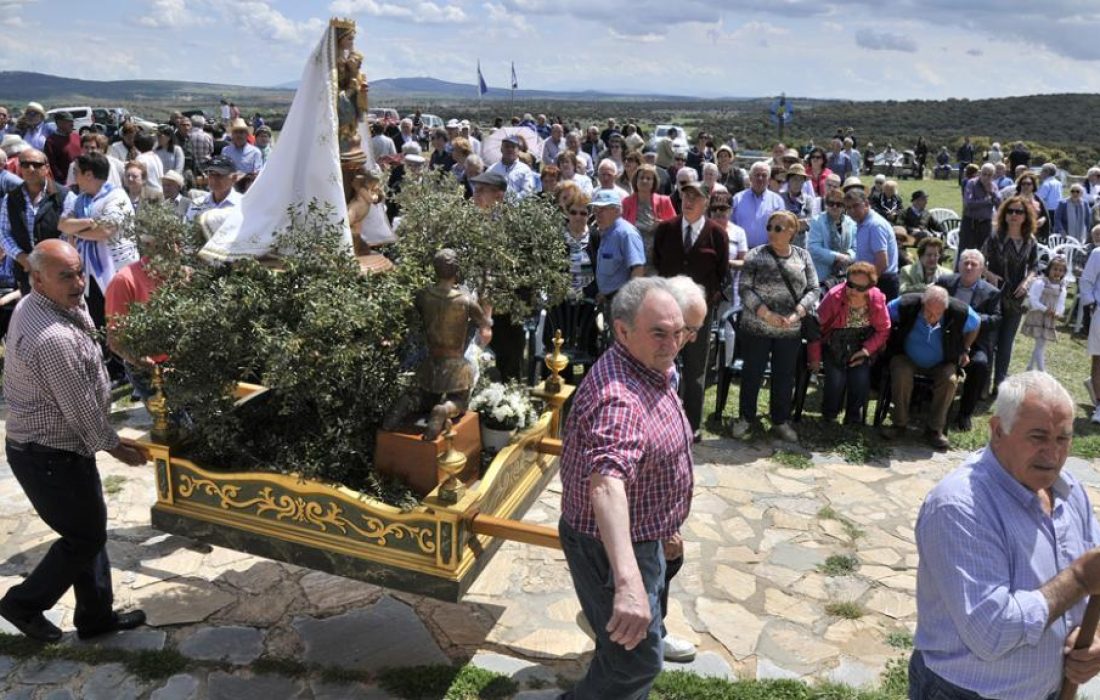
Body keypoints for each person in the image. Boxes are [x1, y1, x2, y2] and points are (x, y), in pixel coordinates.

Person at [909, 372, 1100, 700]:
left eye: (1063, 439)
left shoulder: (1068, 490)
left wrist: (1093, 637)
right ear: (998, 431)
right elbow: (990, 632)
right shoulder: (960, 505)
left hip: (1049, 690)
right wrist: (1078, 580)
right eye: (1038, 437)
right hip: (965, 693)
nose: (1052, 454)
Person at [0, 239, 148, 644]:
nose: (79, 282)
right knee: (84, 537)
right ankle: (23, 604)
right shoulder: (51, 337)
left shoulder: (51, 301)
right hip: (47, 454)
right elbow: (81, 408)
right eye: (66, 275)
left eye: (80, 271)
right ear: (37, 278)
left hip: (60, 450)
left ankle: (95, 617)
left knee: (90, 529)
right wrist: (117, 446)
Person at [558, 276, 693, 699]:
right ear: (621, 330)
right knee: (636, 663)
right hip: (611, 545)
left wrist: (665, 520)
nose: (671, 344)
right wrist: (629, 582)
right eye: (659, 333)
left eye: (679, 332)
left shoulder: (651, 367)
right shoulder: (619, 397)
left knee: (622, 652)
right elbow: (607, 486)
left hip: (644, 535)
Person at [731, 210, 818, 443]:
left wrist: (798, 313)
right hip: (757, 328)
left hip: (789, 329)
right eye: (769, 227)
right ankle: (746, 418)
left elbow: (814, 289)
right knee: (752, 374)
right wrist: (765, 314)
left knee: (784, 376)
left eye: (778, 228)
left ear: (792, 231)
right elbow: (745, 289)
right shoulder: (755, 255)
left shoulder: (803, 256)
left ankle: (780, 420)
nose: (771, 232)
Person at [652, 180, 729, 437]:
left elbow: (721, 274)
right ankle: (658, 421)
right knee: (661, 365)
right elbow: (658, 264)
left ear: (706, 201)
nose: (689, 201)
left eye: (695, 197)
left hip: (698, 316)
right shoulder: (666, 229)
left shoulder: (717, 235)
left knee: (695, 370)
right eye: (685, 196)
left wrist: (704, 305)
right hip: (666, 314)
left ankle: (691, 426)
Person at [882, 286, 980, 449]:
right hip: (907, 357)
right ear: (922, 303)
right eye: (928, 312)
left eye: (937, 314)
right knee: (900, 372)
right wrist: (885, 339)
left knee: (950, 380)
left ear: (945, 309)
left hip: (943, 362)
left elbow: (976, 324)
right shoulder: (906, 304)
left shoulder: (960, 311)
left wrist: (965, 348)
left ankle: (934, 429)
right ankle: (899, 424)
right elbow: (884, 315)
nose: (931, 318)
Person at [808, 262, 890, 425]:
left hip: (861, 343)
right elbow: (815, 328)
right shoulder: (834, 296)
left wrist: (867, 351)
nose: (852, 291)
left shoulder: (877, 299)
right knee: (836, 378)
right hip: (834, 342)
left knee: (860, 378)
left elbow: (884, 329)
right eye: (850, 285)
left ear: (870, 287)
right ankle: (829, 415)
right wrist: (815, 358)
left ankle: (853, 419)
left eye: (860, 288)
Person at [937, 249, 1002, 431]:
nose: (969, 266)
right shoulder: (945, 282)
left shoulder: (991, 293)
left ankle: (965, 413)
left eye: (974, 264)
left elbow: (996, 319)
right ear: (958, 265)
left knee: (980, 364)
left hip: (974, 342)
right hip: (943, 337)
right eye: (965, 262)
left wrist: (971, 318)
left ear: (981, 269)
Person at [981, 196, 1039, 390]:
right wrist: (988, 274)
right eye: (1010, 211)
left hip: (1016, 296)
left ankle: (1000, 383)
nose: (1014, 215)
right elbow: (979, 261)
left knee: (1006, 342)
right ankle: (982, 383)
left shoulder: (1030, 240)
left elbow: (1035, 267)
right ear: (1004, 214)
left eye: (1019, 212)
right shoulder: (995, 237)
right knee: (990, 340)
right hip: (994, 294)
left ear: (1025, 216)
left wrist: (1027, 282)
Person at [0, 147, 74, 294]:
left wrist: (50, 260)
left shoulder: (65, 196)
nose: (30, 169)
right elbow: (4, 233)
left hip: (58, 271)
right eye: (25, 164)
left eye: (36, 164)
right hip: (26, 272)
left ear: (46, 168)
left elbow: (69, 234)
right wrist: (22, 257)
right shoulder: (12, 198)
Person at [591, 189, 646, 308]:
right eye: (596, 210)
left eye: (603, 209)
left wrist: (629, 302)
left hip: (622, 303)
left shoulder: (626, 233)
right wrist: (604, 294)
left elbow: (637, 269)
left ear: (616, 210)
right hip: (609, 301)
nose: (597, 214)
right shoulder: (608, 232)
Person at [845, 188, 900, 300]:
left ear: (866, 204)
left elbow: (882, 263)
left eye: (855, 206)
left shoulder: (875, 225)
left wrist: (865, 287)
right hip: (872, 280)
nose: (852, 211)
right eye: (848, 208)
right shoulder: (862, 223)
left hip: (881, 283)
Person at [621, 164, 675, 270]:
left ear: (653, 182)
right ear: (636, 180)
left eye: (648, 178)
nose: (644, 181)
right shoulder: (626, 202)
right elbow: (620, 228)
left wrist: (662, 224)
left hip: (657, 259)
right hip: (633, 260)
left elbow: (675, 227)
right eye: (641, 177)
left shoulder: (664, 201)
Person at [1022, 255, 1068, 372]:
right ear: (1049, 269)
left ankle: (1030, 368)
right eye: (1055, 269)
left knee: (1040, 344)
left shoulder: (1062, 287)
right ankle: (1043, 372)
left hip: (1049, 318)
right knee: (1040, 343)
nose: (1057, 272)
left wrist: (1058, 312)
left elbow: (1061, 303)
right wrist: (1045, 309)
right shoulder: (1041, 282)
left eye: (1061, 270)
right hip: (1038, 316)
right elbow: (1033, 299)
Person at [806, 188, 856, 288]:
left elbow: (856, 248)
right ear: (826, 204)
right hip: (822, 278)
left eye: (839, 204)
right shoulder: (817, 221)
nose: (834, 206)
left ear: (844, 206)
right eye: (831, 203)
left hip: (844, 277)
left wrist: (848, 256)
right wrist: (837, 257)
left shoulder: (851, 223)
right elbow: (813, 248)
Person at [730, 161, 784, 248]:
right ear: (750, 178)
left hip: (768, 252)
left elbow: (781, 229)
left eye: (764, 175)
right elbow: (731, 225)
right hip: (742, 251)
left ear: (769, 180)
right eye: (757, 175)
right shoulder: (737, 199)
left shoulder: (777, 201)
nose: (760, 178)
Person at [185, 155, 242, 224]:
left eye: (219, 175)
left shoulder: (242, 204)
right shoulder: (197, 204)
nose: (214, 179)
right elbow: (187, 229)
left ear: (234, 178)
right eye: (211, 174)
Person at [1081, 243, 1100, 423]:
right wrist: (1092, 303)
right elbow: (1086, 280)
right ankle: (1099, 406)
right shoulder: (1098, 253)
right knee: (1099, 358)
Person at [43, 111, 81, 184]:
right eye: (68, 122)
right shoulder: (51, 141)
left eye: (72, 121)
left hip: (81, 179)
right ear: (59, 123)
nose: (72, 124)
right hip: (64, 183)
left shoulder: (77, 137)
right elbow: (51, 164)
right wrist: (62, 180)